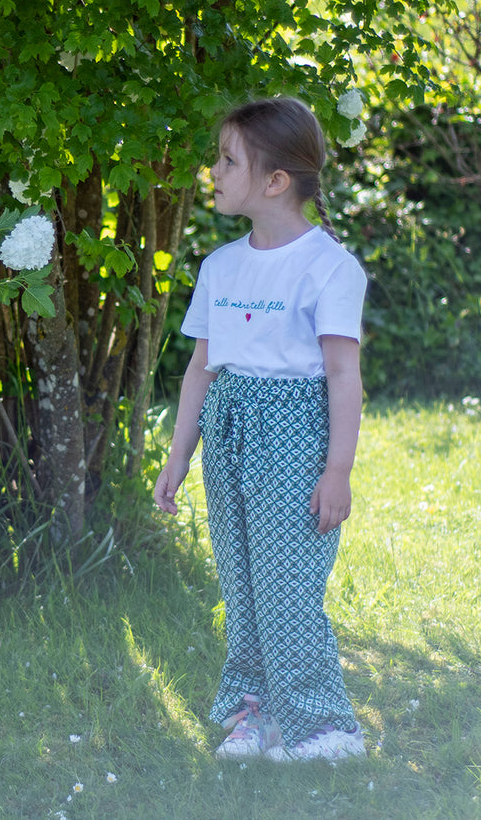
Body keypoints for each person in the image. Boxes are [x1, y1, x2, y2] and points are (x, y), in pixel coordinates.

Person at [152, 96, 368, 763]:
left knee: (288, 584)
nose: (212, 170)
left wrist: (337, 469)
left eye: (227, 159)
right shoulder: (220, 266)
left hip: (294, 436)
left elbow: (341, 375)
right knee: (243, 584)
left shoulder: (328, 266)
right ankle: (258, 713)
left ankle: (327, 728)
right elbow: (199, 370)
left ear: (275, 181)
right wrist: (179, 453)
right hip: (229, 432)